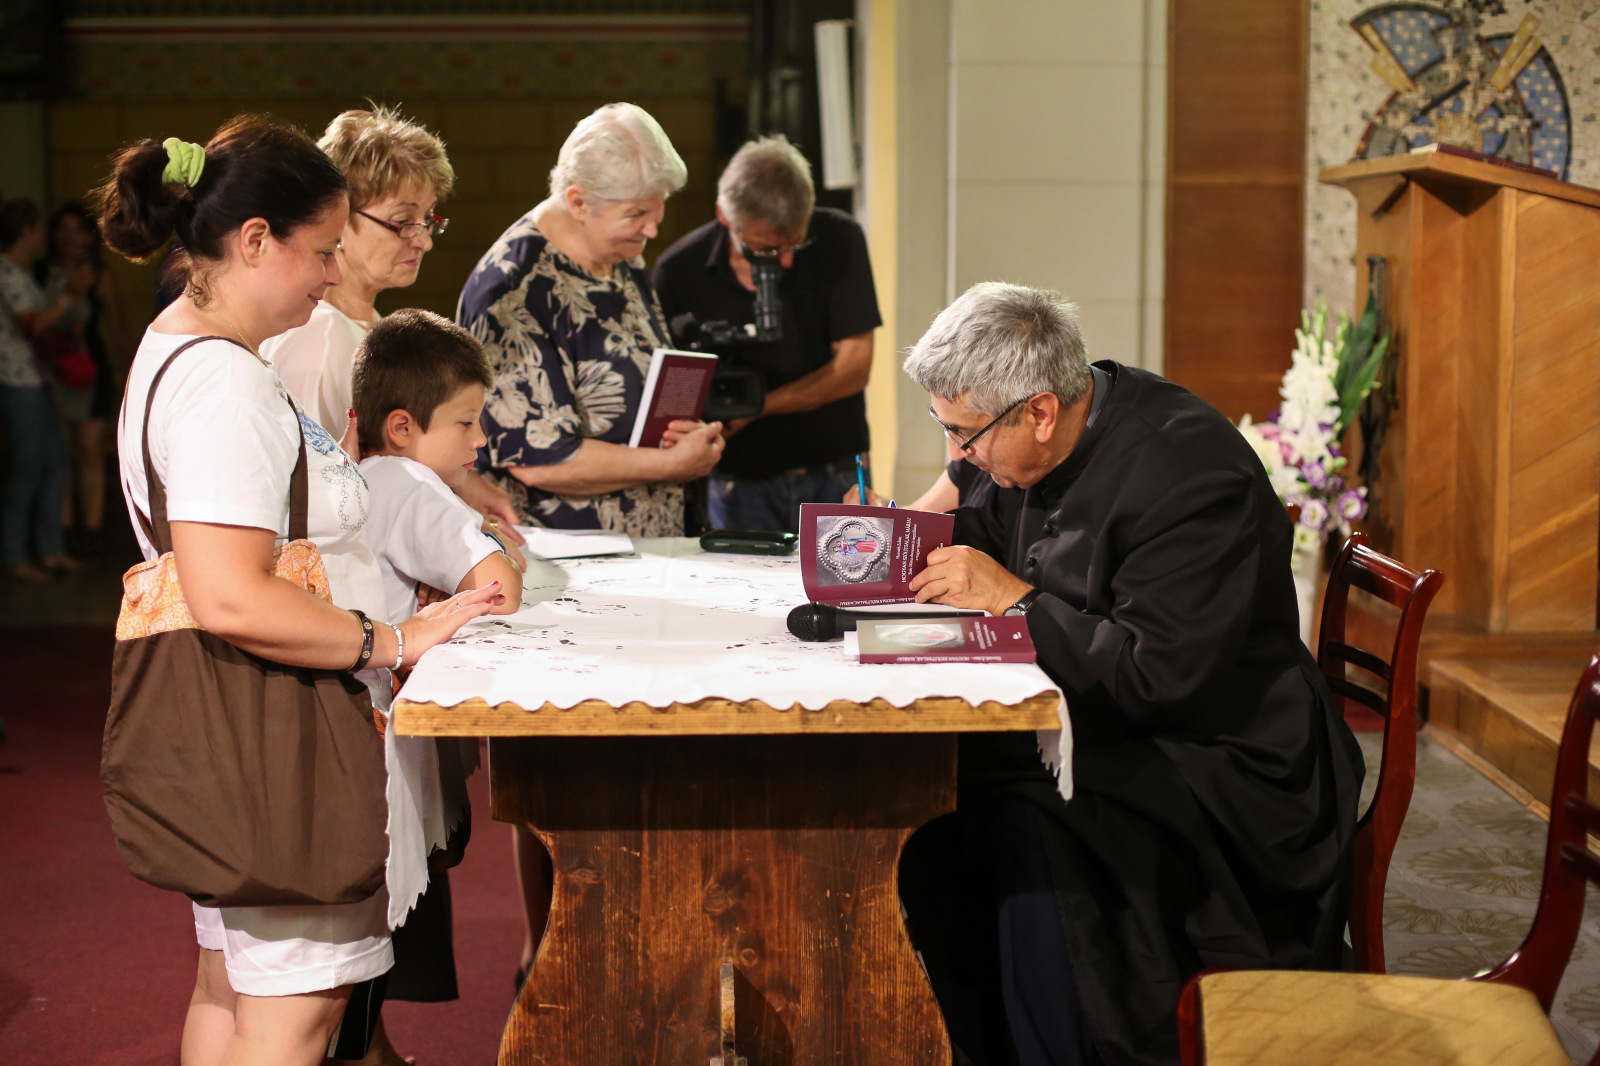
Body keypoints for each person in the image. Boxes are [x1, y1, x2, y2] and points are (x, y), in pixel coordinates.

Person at [98, 116, 494, 1066]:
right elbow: (231, 595)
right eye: (319, 251)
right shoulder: (226, 385)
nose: (328, 275)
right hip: (273, 722)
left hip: (235, 710)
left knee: (232, 988)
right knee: (297, 1013)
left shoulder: (185, 348)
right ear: (254, 240)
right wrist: (395, 640)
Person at [895, 282, 1363, 1066]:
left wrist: (1014, 600)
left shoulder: (1186, 473)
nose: (958, 453)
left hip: (1223, 761)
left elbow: (1159, 678)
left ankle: (1068, 1046)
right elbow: (980, 521)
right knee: (931, 790)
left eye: (963, 434)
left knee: (1013, 814)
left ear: (1040, 412)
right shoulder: (1035, 442)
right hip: (1117, 717)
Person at [460, 101, 724, 539]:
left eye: (657, 209)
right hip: (569, 550)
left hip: (653, 540)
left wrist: (685, 436)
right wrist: (673, 463)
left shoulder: (621, 254)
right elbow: (539, 460)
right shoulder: (511, 289)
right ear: (578, 202)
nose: (653, 230)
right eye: (636, 214)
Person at [260, 105, 522, 543]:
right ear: (339, 218)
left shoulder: (368, 326)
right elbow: (311, 498)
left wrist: (464, 490)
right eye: (403, 222)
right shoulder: (318, 334)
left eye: (428, 220)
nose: (423, 240)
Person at [653, 134, 881, 533]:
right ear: (725, 217)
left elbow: (854, 369)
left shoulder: (839, 238)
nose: (787, 261)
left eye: (797, 242)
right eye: (767, 250)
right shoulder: (679, 271)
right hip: (738, 481)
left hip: (834, 470)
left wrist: (755, 408)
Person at [35, 201, 133, 555]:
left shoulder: (99, 275)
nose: (69, 237)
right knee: (59, 453)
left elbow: (116, 327)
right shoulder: (40, 272)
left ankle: (90, 533)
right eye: (63, 229)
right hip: (50, 369)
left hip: (91, 370)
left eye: (77, 230)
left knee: (89, 451)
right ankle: (61, 532)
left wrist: (129, 373)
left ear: (89, 236)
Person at [0, 198, 84, 581]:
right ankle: (16, 556)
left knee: (57, 464)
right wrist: (70, 296)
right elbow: (31, 324)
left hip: (38, 379)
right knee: (27, 469)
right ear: (26, 231)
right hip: (18, 383)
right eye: (38, 229)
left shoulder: (21, 271)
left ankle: (51, 552)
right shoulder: (7, 273)